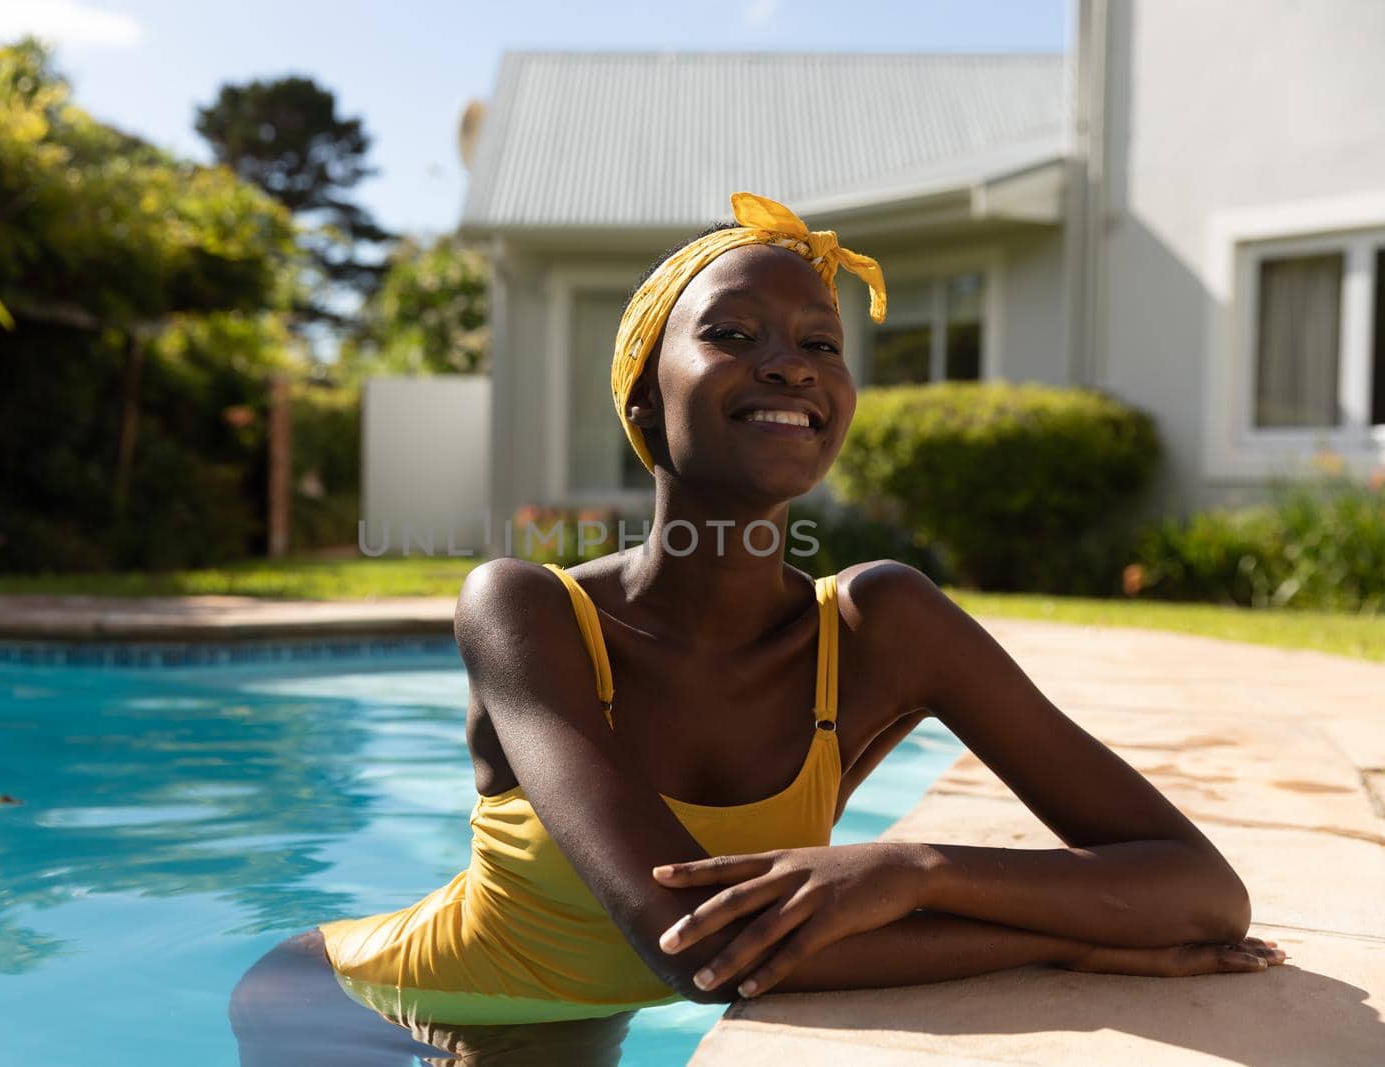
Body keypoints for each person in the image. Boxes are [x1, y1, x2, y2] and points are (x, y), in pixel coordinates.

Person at [229, 192, 1283, 1065]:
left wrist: (911, 869)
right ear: (645, 402)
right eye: (731, 335)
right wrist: (1071, 945)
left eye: (819, 342)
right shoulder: (525, 610)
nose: (788, 364)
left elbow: (1200, 892)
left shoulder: (882, 624)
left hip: (574, 1013)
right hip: (350, 1009)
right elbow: (702, 951)